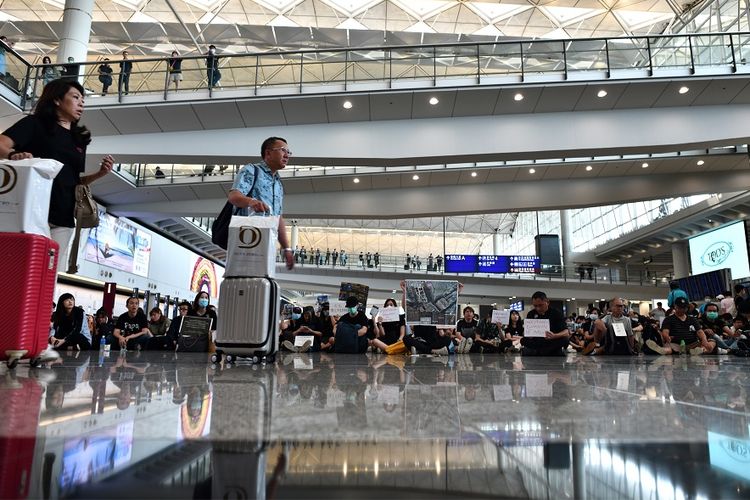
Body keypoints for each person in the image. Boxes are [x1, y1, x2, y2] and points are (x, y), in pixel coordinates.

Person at [0, 79, 114, 270]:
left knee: (51, 275)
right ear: (57, 100)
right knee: (23, 270)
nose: (81, 103)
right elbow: (2, 143)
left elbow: (74, 180)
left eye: (83, 99)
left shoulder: (79, 139)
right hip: (31, 212)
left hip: (64, 217)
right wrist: (13, 154)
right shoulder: (34, 124)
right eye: (75, 97)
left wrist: (100, 174)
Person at [226, 137, 295, 270]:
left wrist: (286, 248)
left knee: (263, 279)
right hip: (247, 239)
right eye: (283, 150)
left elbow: (278, 217)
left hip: (268, 242)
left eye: (288, 152)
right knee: (244, 276)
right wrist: (251, 202)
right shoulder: (251, 170)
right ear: (268, 153)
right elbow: (233, 196)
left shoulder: (278, 184)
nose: (287, 155)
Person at [646, 297, 715, 355]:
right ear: (675, 307)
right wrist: (667, 337)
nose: (682, 310)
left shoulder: (692, 319)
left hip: (692, 344)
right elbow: (665, 332)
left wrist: (704, 340)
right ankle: (662, 350)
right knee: (669, 348)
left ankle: (699, 350)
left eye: (684, 308)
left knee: (712, 341)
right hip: (676, 344)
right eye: (680, 308)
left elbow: (700, 332)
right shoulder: (668, 319)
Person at [522, 291, 569, 356]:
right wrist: (527, 334)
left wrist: (555, 335)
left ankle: (539, 351)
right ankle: (547, 351)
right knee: (523, 340)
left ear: (547, 302)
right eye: (535, 306)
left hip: (551, 340)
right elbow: (525, 332)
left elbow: (566, 332)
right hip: (537, 340)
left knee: (564, 340)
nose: (538, 308)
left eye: (540, 305)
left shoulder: (556, 313)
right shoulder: (531, 314)